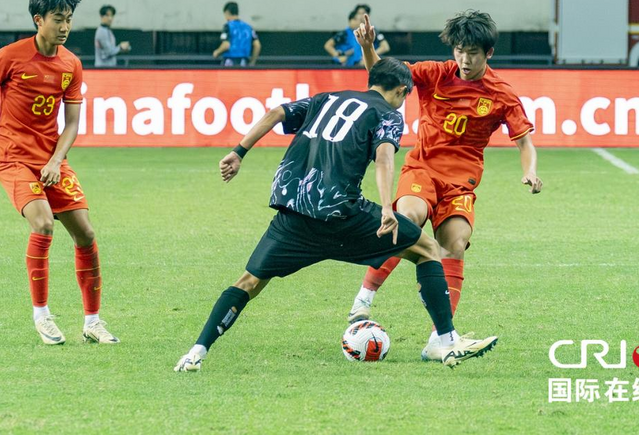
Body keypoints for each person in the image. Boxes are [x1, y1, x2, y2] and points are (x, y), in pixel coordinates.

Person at [174, 58, 498, 372]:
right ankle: (445, 339)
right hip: (343, 215)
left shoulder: (326, 98)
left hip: (293, 216)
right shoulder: (387, 113)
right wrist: (388, 207)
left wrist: (238, 151)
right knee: (427, 250)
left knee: (249, 282)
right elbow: (385, 158)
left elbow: (276, 112)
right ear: (401, 91)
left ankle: (196, 352)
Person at [346, 11, 543, 362]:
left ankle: (440, 338)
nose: (464, 60)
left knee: (455, 244)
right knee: (406, 220)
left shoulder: (501, 94)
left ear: (489, 53)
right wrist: (368, 48)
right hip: (422, 168)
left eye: (473, 53)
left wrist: (529, 171)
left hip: (460, 183)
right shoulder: (435, 73)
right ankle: (362, 303)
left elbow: (524, 142)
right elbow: (384, 76)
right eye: (459, 51)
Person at [0, 0, 119, 346]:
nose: (65, 26)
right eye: (58, 19)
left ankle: (93, 322)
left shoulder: (71, 64)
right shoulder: (10, 56)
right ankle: (43, 315)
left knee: (85, 232)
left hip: (51, 160)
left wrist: (56, 160)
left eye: (69, 20)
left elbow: (71, 123)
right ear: (39, 20)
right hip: (14, 158)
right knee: (43, 223)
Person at [325, 8, 390, 67]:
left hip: (361, 65)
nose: (360, 22)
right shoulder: (344, 33)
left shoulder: (367, 32)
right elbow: (328, 45)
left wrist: (368, 57)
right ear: (351, 20)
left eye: (361, 20)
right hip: (345, 67)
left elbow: (385, 47)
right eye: (358, 20)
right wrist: (337, 56)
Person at [212, 1, 261, 67]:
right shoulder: (248, 27)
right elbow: (257, 45)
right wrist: (252, 61)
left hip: (229, 61)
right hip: (244, 62)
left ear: (227, 12)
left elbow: (226, 45)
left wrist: (217, 52)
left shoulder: (228, 26)